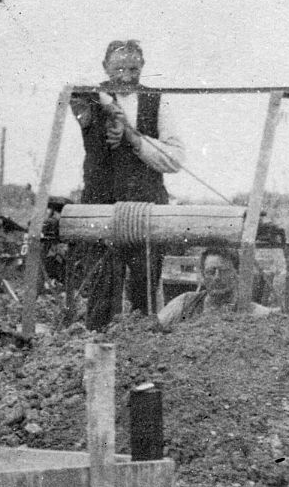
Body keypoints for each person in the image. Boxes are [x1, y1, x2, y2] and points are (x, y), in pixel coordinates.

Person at [72, 39, 186, 329]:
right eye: (119, 68)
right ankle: (96, 351)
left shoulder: (158, 100)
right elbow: (77, 95)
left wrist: (133, 138)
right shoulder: (90, 99)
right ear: (105, 68)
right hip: (102, 207)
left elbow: (174, 159)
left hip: (145, 208)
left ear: (143, 67)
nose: (126, 75)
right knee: (101, 292)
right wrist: (111, 112)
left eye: (133, 68)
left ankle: (142, 356)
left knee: (144, 293)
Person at [156, 248, 275, 324]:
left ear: (237, 274)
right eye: (211, 272)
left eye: (224, 271)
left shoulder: (250, 310)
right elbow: (156, 325)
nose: (217, 277)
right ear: (203, 275)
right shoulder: (185, 303)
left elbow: (274, 318)